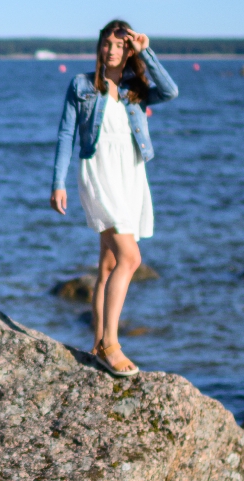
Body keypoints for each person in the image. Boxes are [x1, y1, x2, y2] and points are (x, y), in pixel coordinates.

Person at [49, 20, 178, 376]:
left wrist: (146, 51)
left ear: (128, 50)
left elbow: (170, 91)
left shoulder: (136, 87)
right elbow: (66, 135)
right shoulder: (81, 85)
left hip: (131, 175)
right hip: (99, 173)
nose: (111, 49)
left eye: (119, 45)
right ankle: (111, 344)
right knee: (131, 258)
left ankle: (95, 344)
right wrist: (58, 182)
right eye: (106, 43)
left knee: (108, 265)